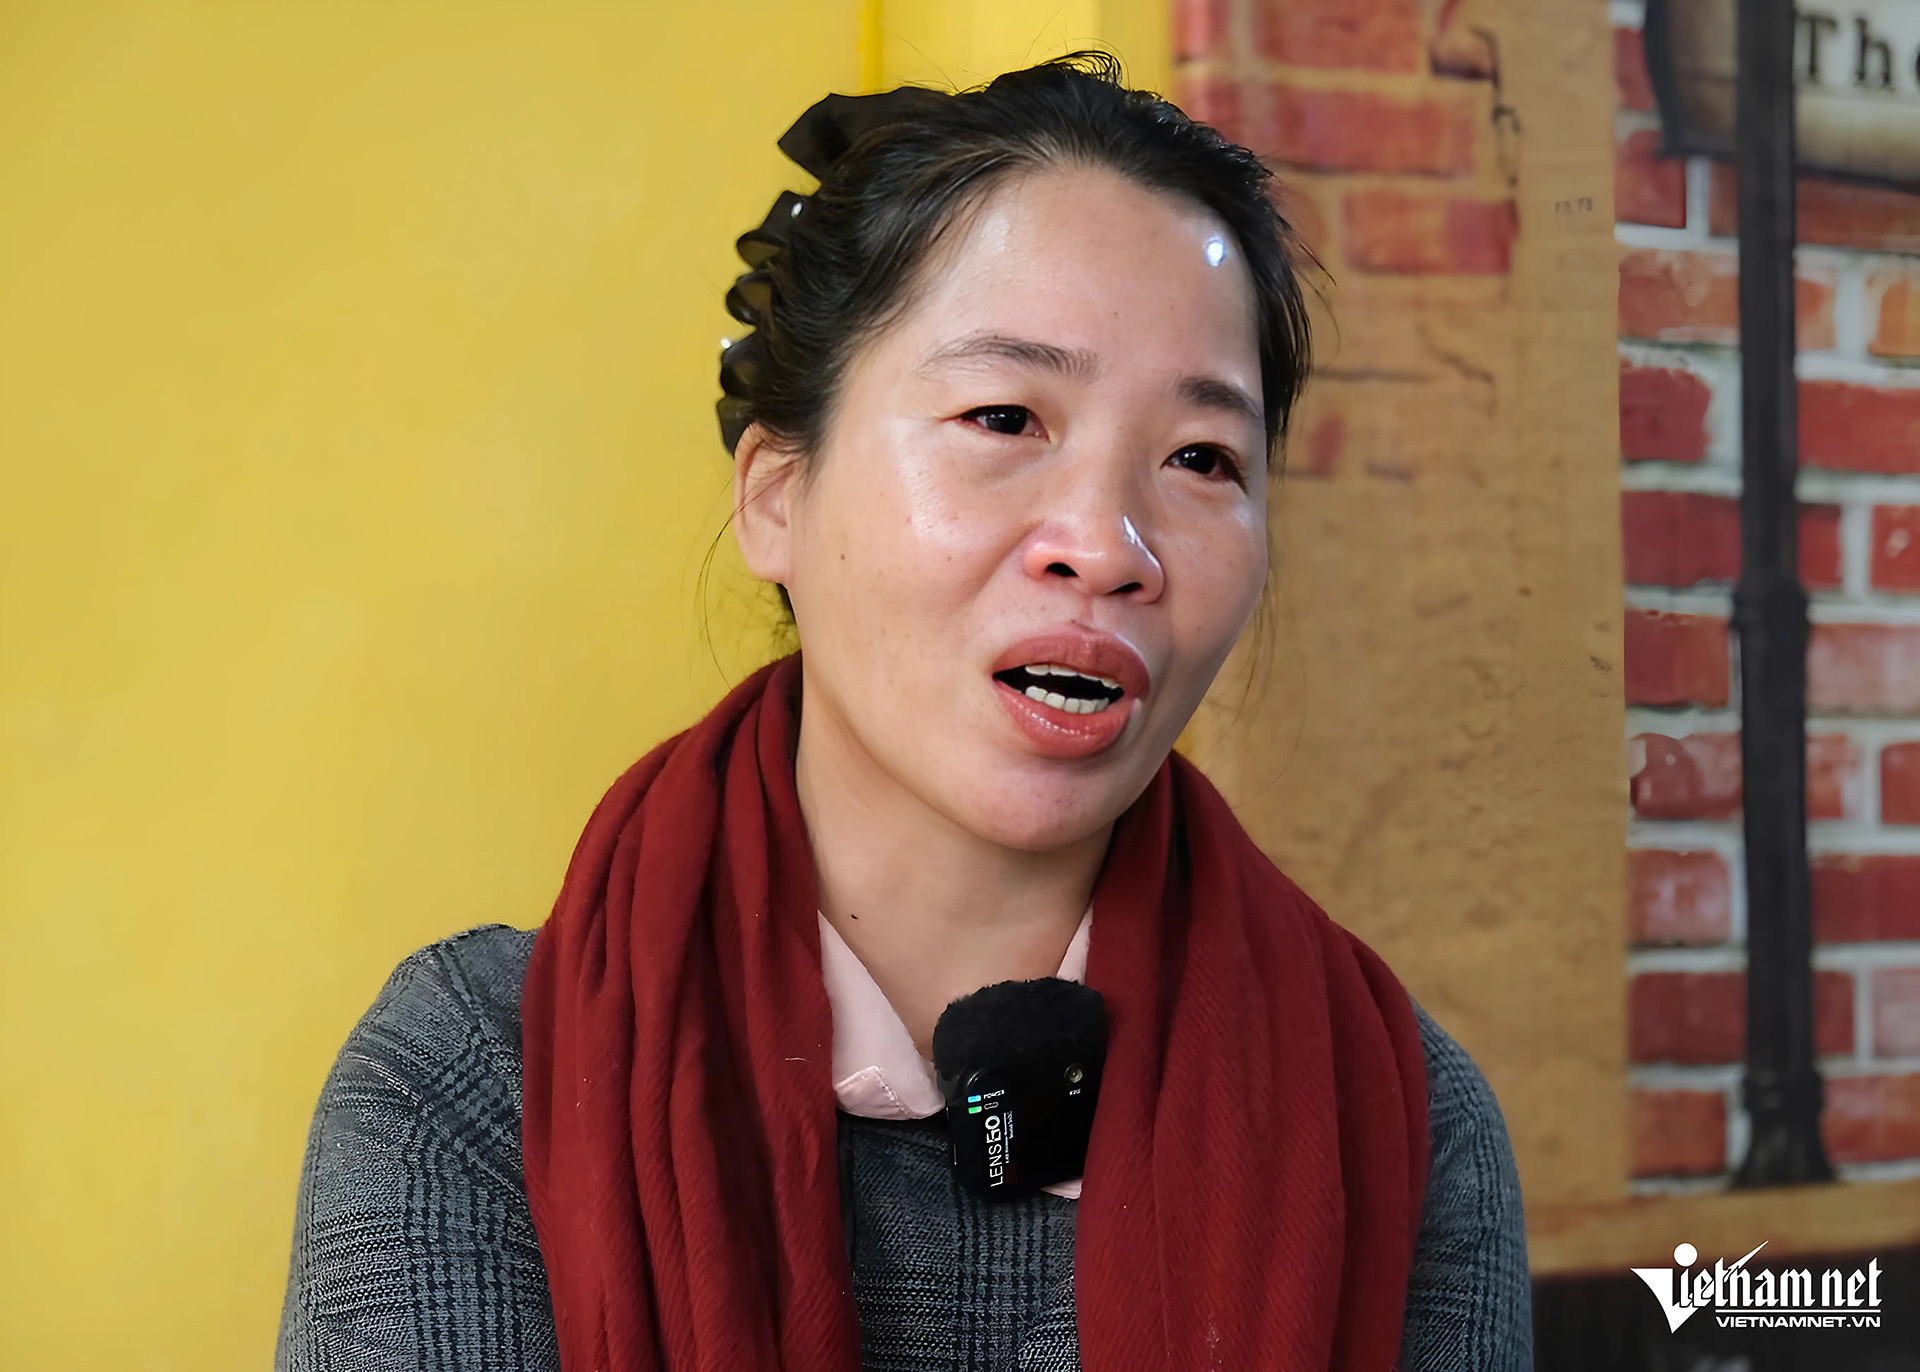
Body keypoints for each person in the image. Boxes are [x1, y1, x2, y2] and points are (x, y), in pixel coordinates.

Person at [276, 53, 1530, 1372]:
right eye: (1004, 416)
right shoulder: (473, 1083)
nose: (1107, 547)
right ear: (776, 496)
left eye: (1202, 458)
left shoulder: (1397, 1122)